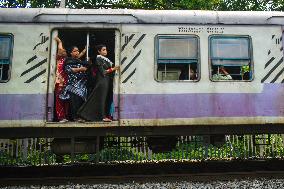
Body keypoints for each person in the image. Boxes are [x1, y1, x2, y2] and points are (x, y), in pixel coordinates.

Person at [78, 44, 119, 122]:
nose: (105, 51)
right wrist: (113, 69)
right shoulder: (99, 59)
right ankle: (102, 117)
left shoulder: (105, 59)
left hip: (105, 81)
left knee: (98, 99)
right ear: (99, 51)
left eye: (106, 49)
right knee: (101, 99)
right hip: (102, 81)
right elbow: (103, 72)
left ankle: (84, 114)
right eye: (103, 50)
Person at [61, 46, 88, 122]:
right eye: (75, 51)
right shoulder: (68, 60)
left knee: (80, 102)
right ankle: (75, 117)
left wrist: (85, 49)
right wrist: (80, 69)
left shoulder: (79, 61)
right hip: (73, 85)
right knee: (74, 102)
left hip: (81, 85)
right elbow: (68, 70)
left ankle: (80, 117)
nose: (77, 52)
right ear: (71, 53)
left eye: (78, 51)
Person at [54, 37, 69, 123]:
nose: (63, 51)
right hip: (59, 83)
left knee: (66, 100)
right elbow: (60, 48)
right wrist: (59, 41)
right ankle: (60, 117)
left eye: (64, 51)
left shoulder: (66, 60)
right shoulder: (58, 60)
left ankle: (65, 116)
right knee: (59, 100)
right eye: (61, 51)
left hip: (66, 83)